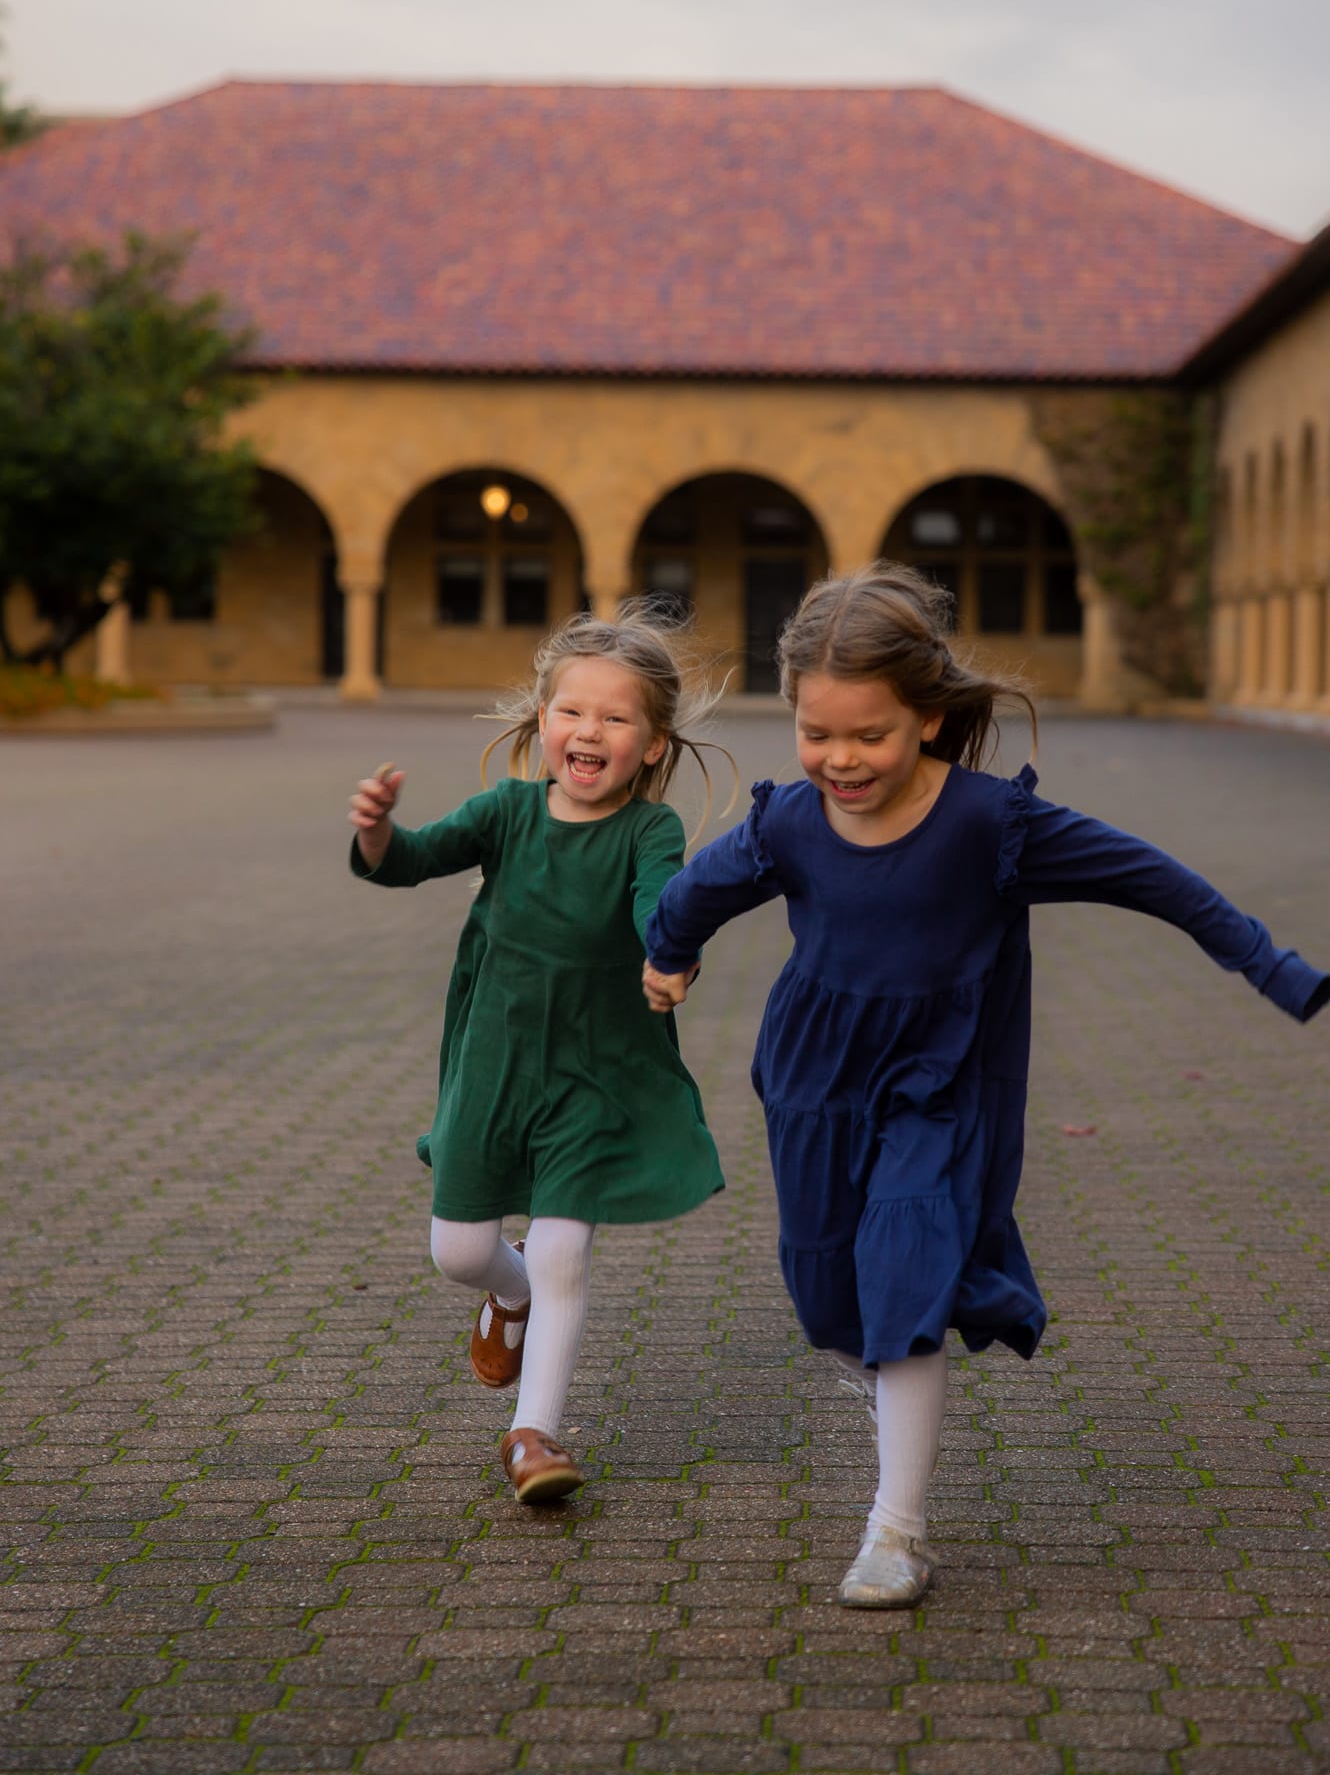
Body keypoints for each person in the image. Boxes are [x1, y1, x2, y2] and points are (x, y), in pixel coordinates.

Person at [642, 562, 1328, 1609]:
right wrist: (667, 953)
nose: (839, 758)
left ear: (925, 715)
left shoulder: (987, 825)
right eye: (817, 732)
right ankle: (884, 1380)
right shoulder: (790, 823)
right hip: (814, 1081)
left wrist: (1274, 965)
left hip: (942, 1084)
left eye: (867, 734)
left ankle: (896, 1530)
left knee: (906, 1271)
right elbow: (699, 887)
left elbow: (1158, 879)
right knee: (833, 1299)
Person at [349, 607, 728, 1505]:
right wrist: (374, 831)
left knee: (563, 1250)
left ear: (652, 742)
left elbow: (659, 904)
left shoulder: (650, 830)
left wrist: (667, 954)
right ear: (541, 720)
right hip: (494, 1061)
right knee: (458, 1250)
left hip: (599, 1071)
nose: (588, 731)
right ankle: (505, 1297)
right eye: (572, 711)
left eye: (615, 718)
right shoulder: (507, 812)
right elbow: (410, 859)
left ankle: (533, 1433)